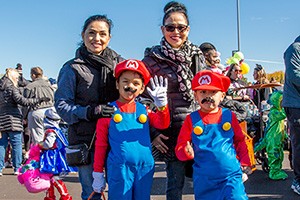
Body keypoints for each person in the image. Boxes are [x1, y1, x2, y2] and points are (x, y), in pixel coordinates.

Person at [54, 14, 124, 200]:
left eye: (102, 34)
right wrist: (90, 111)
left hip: (115, 138)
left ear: (109, 37)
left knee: (120, 190)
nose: (97, 38)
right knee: (91, 192)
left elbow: (134, 91)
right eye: (91, 33)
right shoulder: (72, 68)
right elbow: (61, 105)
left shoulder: (120, 65)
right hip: (86, 140)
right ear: (83, 34)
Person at [141, 1, 205, 199]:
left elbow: (204, 91)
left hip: (199, 129)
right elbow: (142, 100)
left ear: (188, 29)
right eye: (170, 27)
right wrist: (153, 133)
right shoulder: (151, 59)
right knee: (175, 186)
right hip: (172, 132)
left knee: (204, 182)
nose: (175, 31)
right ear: (162, 29)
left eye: (181, 27)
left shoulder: (197, 55)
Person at [92, 59, 170, 200]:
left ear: (141, 88)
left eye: (136, 83)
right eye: (125, 81)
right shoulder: (107, 112)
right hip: (120, 168)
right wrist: (98, 173)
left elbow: (162, 124)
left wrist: (162, 106)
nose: (130, 86)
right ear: (117, 84)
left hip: (145, 166)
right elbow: (101, 145)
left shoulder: (144, 110)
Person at [175, 70, 252, 200]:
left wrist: (245, 160)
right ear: (196, 96)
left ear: (222, 96)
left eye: (213, 92)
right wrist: (185, 151)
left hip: (230, 175)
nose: (208, 96)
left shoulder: (229, 116)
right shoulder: (191, 119)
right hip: (204, 179)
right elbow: (180, 146)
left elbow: (240, 140)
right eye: (203, 92)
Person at [0, 68, 50, 176]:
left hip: (1, 121)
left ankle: (0, 168)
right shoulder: (12, 88)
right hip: (13, 120)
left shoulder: (1, 88)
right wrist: (38, 100)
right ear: (13, 77)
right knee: (16, 144)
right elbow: (23, 101)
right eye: (17, 77)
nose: (18, 80)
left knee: (2, 145)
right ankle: (17, 167)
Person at [39, 108, 74, 200]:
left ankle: (64, 195)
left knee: (54, 177)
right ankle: (50, 196)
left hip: (51, 158)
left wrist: (40, 145)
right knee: (48, 177)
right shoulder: (56, 130)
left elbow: (49, 144)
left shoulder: (51, 131)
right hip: (53, 157)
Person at [254, 91, 288, 180]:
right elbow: (284, 115)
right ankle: (274, 172)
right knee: (274, 155)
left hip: (278, 138)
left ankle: (278, 170)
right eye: (281, 101)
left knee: (279, 155)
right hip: (272, 138)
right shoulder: (274, 112)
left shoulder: (279, 110)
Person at [282, 35, 300, 195]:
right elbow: (295, 76)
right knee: (299, 143)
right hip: (296, 105)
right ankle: (298, 180)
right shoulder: (295, 49)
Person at [23, 67, 54, 144]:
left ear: (33, 75)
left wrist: (24, 117)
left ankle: (40, 155)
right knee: (51, 139)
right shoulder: (49, 86)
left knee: (38, 139)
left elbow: (26, 103)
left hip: (37, 111)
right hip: (50, 112)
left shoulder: (30, 87)